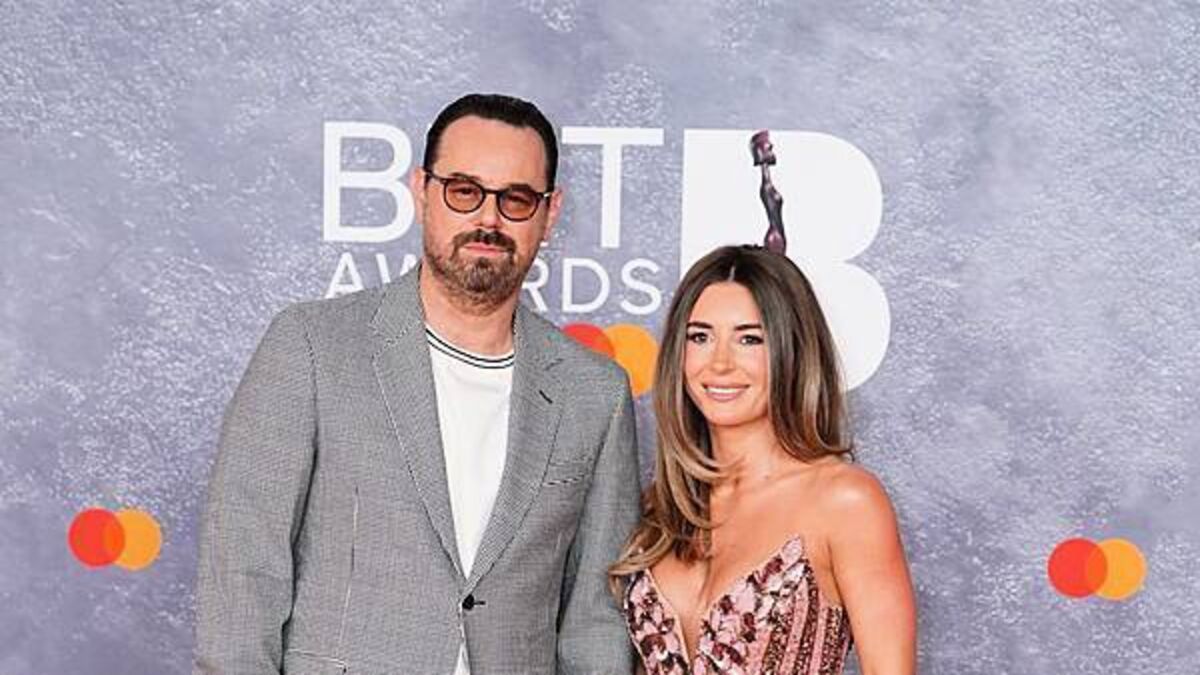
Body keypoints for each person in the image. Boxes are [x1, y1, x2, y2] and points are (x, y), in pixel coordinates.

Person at [195, 93, 641, 674]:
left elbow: (595, 623)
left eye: (515, 199)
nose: (488, 219)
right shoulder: (312, 347)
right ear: (421, 191)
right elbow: (243, 572)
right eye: (464, 191)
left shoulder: (595, 393)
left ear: (549, 212)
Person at [612, 245, 916, 674]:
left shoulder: (846, 502)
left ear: (792, 351)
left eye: (749, 339)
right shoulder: (661, 509)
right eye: (700, 337)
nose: (720, 363)